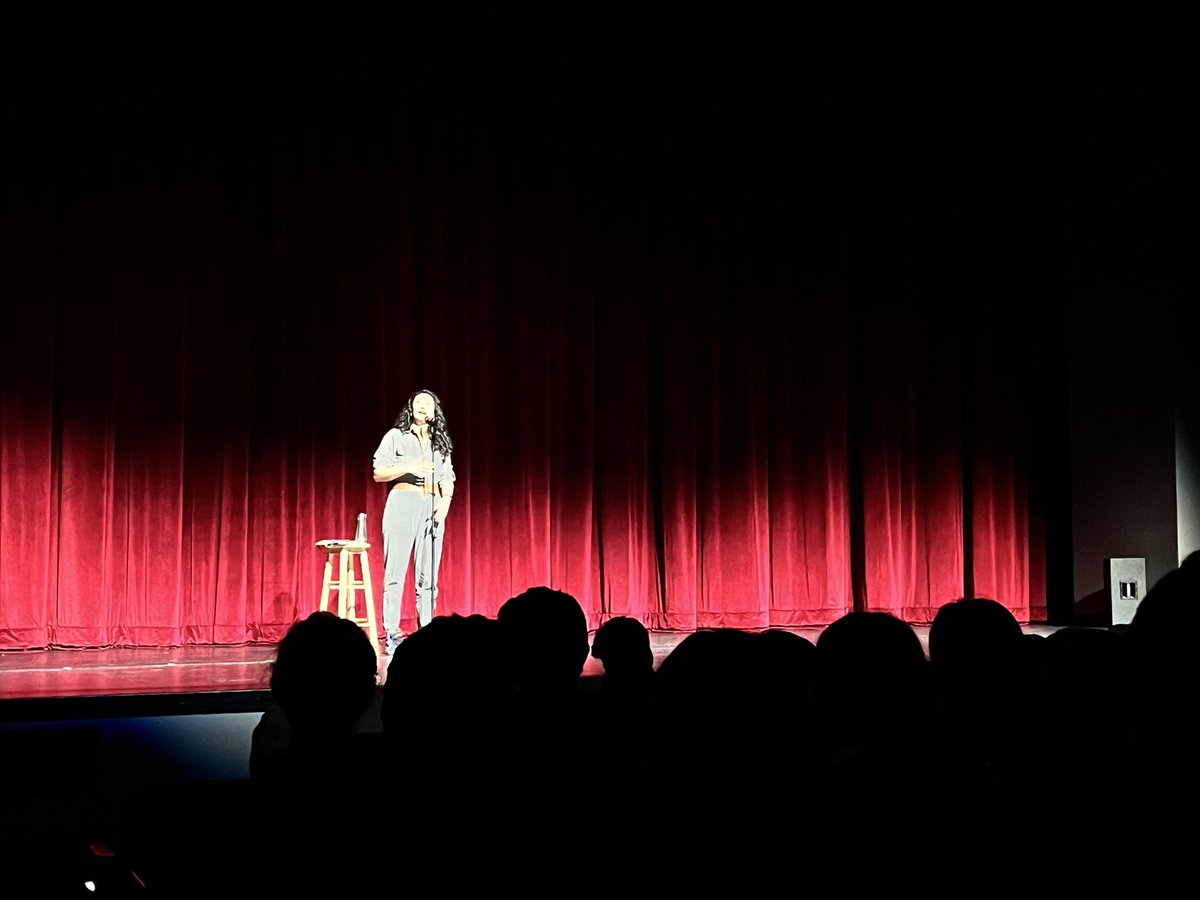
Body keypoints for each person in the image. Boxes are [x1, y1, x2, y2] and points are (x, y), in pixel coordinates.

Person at [372, 388, 456, 656]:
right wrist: (409, 467)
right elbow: (378, 472)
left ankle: (427, 634)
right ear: (410, 407)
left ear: (435, 411)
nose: (423, 406)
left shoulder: (439, 441)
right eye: (418, 402)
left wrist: (445, 501)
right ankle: (392, 634)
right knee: (395, 574)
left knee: (428, 577)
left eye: (428, 403)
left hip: (432, 506)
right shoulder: (396, 436)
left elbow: (448, 476)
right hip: (402, 503)